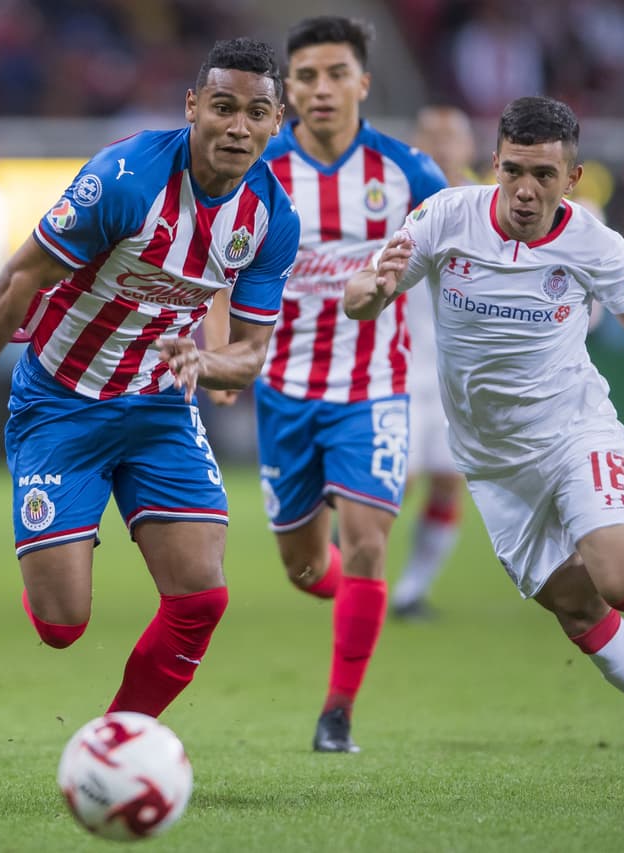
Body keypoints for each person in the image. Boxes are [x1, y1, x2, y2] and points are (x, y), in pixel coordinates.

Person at [346, 96, 624, 782]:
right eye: (513, 170)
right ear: (495, 162)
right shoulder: (447, 215)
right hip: (493, 465)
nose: (525, 190)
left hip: (574, 432)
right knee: (579, 611)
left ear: (573, 178)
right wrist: (370, 289)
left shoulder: (595, 244)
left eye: (543, 174)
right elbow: (368, 290)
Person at [0, 38, 299, 719]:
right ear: (192, 107)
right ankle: (57, 546)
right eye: (223, 107)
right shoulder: (126, 178)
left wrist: (204, 362)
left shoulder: (272, 219)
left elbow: (251, 351)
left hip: (159, 408)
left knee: (201, 598)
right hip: (63, 401)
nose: (239, 127)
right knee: (62, 624)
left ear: (277, 121)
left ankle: (120, 739)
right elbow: (19, 278)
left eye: (257, 113)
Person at [208, 16, 448, 753]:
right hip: (282, 389)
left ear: (362, 83)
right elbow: (219, 264)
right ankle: (355, 599)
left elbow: (463, 253)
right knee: (309, 568)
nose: (320, 89)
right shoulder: (259, 168)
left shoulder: (406, 171)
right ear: (288, 91)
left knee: (369, 542)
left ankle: (337, 712)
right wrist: (221, 356)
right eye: (305, 76)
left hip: (374, 388)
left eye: (335, 73)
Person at [388, 105, 476, 621]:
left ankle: (411, 592)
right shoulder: (392, 205)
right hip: (397, 366)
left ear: (469, 148)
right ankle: (354, 561)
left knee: (448, 480)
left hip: (457, 377)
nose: (442, 147)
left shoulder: (492, 208)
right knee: (394, 483)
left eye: (451, 137)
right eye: (431, 138)